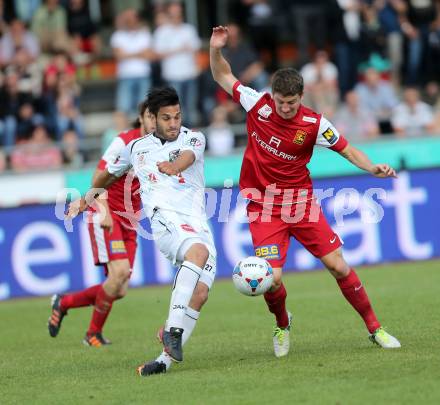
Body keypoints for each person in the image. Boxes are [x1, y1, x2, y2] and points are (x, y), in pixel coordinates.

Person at [210, 25, 401, 357]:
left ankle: (375, 328)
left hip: (301, 203)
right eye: (282, 102)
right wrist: (215, 49)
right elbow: (222, 75)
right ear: (272, 96)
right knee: (271, 278)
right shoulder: (257, 104)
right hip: (263, 207)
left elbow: (348, 149)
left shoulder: (314, 124)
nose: (286, 108)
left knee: (339, 266)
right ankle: (282, 324)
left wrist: (372, 168)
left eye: (292, 102)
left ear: (302, 97)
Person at [66, 87, 217, 375]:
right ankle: (172, 330)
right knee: (198, 253)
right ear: (152, 119)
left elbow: (186, 158)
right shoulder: (136, 148)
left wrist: (173, 167)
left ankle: (163, 361)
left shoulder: (194, 138)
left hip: (197, 223)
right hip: (165, 222)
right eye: (166, 118)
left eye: (177, 116)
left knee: (199, 294)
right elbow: (107, 175)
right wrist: (86, 199)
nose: (173, 123)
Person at [48, 101, 155, 346]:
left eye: (156, 117)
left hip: (130, 220)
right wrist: (104, 209)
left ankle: (64, 303)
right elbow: (99, 175)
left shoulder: (157, 147)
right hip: (106, 213)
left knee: (120, 288)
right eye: (149, 116)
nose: (152, 122)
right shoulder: (123, 142)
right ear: (140, 118)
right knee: (117, 274)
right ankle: (92, 334)